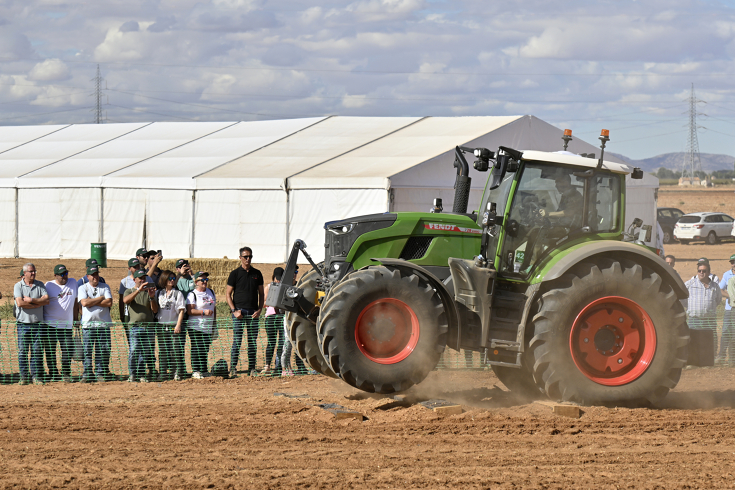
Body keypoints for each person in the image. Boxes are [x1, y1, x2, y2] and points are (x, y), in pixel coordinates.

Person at [226, 246, 264, 377]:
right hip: (239, 313)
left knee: (252, 342)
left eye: (250, 257)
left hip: (253, 313)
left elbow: (261, 294)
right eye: (245, 257)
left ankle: (252, 368)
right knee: (237, 341)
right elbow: (228, 294)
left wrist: (259, 310)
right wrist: (234, 311)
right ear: (240, 258)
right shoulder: (234, 274)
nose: (248, 259)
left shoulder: (257, 273)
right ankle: (233, 368)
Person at [13, 263, 49, 385]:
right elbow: (20, 303)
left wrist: (32, 300)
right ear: (24, 273)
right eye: (31, 271)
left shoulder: (40, 285)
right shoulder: (18, 286)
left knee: (37, 351)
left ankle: (36, 376)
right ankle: (23, 376)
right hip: (23, 324)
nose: (33, 273)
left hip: (37, 324)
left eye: (34, 271)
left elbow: (47, 300)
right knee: (23, 351)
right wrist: (38, 304)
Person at [43, 264, 79, 383]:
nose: (65, 276)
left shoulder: (73, 282)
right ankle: (53, 372)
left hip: (67, 325)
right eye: (62, 274)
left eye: (66, 273)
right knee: (50, 350)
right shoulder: (49, 285)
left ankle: (66, 373)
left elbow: (75, 302)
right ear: (55, 275)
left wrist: (76, 319)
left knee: (67, 350)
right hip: (50, 324)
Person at [78, 266, 113, 382]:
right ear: (87, 276)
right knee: (87, 350)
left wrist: (92, 302)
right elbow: (84, 302)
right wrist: (101, 298)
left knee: (102, 350)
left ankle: (100, 373)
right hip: (88, 325)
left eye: (96, 274)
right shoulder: (83, 288)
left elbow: (109, 302)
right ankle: (87, 373)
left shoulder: (105, 286)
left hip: (103, 324)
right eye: (92, 275)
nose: (95, 277)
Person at [123, 270, 159, 383]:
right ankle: (133, 374)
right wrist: (139, 290)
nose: (143, 280)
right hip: (135, 327)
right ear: (135, 280)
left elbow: (155, 310)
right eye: (140, 278)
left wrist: (152, 297)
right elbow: (125, 300)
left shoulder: (150, 292)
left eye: (144, 278)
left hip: (148, 327)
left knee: (145, 352)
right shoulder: (129, 291)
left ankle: (141, 374)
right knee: (134, 351)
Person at [685, 261, 722, 354]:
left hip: (710, 320)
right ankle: (693, 363)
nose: (701, 273)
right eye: (699, 271)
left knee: (710, 341)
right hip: (694, 319)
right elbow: (682, 299)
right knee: (693, 341)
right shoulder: (690, 284)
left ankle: (709, 363)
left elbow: (718, 300)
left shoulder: (715, 286)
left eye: (704, 271)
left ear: (709, 272)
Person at [156, 270, 186, 381]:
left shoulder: (178, 293)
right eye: (170, 278)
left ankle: (176, 372)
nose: (172, 281)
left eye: (174, 279)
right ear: (164, 279)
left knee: (175, 349)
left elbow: (181, 310)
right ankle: (163, 373)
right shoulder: (159, 293)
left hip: (174, 325)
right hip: (161, 326)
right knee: (163, 350)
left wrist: (178, 325)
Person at [187, 272, 216, 379]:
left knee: (204, 348)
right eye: (202, 280)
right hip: (196, 326)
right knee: (196, 347)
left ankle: (204, 370)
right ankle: (196, 370)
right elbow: (190, 311)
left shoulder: (211, 292)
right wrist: (203, 312)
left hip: (208, 326)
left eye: (206, 280)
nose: (205, 282)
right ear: (196, 282)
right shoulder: (192, 294)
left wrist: (214, 322)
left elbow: (214, 307)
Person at [262, 268, 285, 376]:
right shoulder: (268, 287)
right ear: (274, 277)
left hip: (282, 316)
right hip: (271, 316)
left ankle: (279, 365)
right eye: (277, 279)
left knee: (282, 342)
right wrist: (273, 301)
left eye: (280, 279)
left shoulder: (285, 287)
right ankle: (267, 365)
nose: (278, 281)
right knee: (271, 342)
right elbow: (263, 303)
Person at [718, 253, 735, 365]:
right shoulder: (727, 274)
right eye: (732, 262)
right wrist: (731, 296)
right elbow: (720, 290)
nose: (734, 264)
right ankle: (721, 356)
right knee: (725, 332)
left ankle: (732, 359)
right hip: (729, 309)